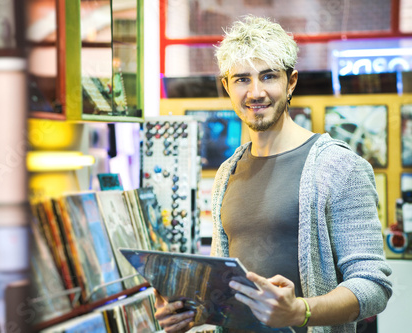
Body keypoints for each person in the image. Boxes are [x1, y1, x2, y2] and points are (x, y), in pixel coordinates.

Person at [154, 15, 392, 333]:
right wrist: (194, 314)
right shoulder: (227, 173)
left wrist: (300, 311)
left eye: (268, 76)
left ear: (290, 81)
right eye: (241, 79)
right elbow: (227, 293)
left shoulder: (339, 166)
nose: (255, 92)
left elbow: (373, 286)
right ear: (226, 85)